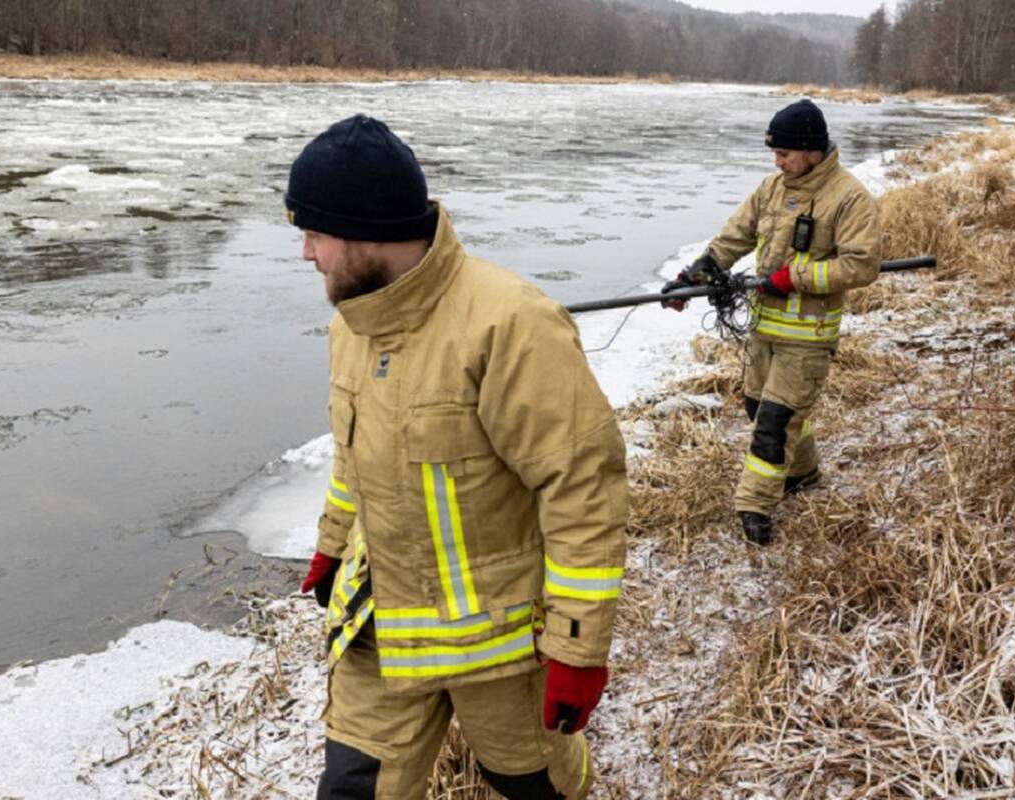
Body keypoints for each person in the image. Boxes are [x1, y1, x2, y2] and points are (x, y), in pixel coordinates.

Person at [286, 114, 628, 800]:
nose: (305, 254)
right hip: (379, 628)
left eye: (315, 233)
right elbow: (355, 462)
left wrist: (575, 645)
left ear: (364, 233)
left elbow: (581, 486)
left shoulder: (510, 324)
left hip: (498, 647)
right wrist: (330, 547)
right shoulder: (351, 325)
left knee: (534, 785)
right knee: (351, 788)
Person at [662, 99, 881, 546]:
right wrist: (694, 276)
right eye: (774, 155)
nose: (777, 161)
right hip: (764, 331)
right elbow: (734, 237)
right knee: (759, 408)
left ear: (811, 151)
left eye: (784, 153)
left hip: (808, 338)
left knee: (774, 425)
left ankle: (754, 508)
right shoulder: (771, 189)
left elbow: (861, 266)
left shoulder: (850, 198)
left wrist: (794, 277)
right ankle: (804, 472)